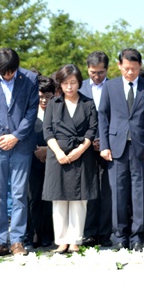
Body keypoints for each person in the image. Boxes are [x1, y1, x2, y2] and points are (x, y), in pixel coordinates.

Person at [0, 48, 39, 256]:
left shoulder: (29, 79)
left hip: (21, 144)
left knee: (20, 193)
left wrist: (16, 136)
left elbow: (32, 111)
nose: (8, 76)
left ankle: (17, 241)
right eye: (4, 72)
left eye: (11, 72)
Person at [98, 48, 144, 251]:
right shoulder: (110, 87)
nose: (130, 73)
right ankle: (119, 236)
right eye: (126, 69)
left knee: (140, 193)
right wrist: (104, 145)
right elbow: (103, 116)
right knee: (118, 191)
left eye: (134, 69)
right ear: (119, 66)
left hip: (142, 147)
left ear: (140, 66)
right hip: (116, 147)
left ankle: (138, 236)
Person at [43, 64, 98, 253]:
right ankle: (61, 240)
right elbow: (47, 130)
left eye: (73, 83)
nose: (69, 87)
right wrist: (58, 152)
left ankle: (75, 239)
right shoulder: (53, 103)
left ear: (79, 83)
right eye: (65, 83)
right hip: (57, 154)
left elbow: (92, 130)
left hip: (81, 154)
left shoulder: (88, 103)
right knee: (59, 199)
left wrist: (80, 150)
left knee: (79, 199)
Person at [79, 51, 113, 247]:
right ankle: (89, 232)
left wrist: (105, 141)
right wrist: (89, 140)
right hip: (85, 147)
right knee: (89, 190)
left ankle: (105, 233)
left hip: (109, 147)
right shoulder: (80, 87)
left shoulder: (114, 86)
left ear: (107, 70)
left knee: (107, 192)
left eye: (100, 72)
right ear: (87, 69)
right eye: (93, 72)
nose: (97, 76)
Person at [26, 76, 55, 248]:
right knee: (33, 197)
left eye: (48, 96)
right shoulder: (29, 111)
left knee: (49, 199)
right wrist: (36, 151)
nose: (44, 100)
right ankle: (32, 235)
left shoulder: (57, 110)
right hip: (31, 159)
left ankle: (47, 235)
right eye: (41, 96)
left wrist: (47, 151)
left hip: (53, 159)